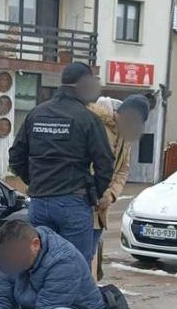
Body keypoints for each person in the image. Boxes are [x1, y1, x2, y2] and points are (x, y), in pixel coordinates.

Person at [8, 62, 114, 264]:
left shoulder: (36, 114)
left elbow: (16, 157)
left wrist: (37, 180)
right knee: (75, 267)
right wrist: (94, 193)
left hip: (39, 202)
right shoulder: (87, 119)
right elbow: (105, 163)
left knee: (41, 264)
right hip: (72, 203)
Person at [89, 95, 149, 280]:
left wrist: (111, 194)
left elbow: (124, 169)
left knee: (91, 259)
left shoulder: (125, 135)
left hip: (101, 209)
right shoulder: (95, 125)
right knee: (79, 261)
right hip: (84, 203)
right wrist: (97, 193)